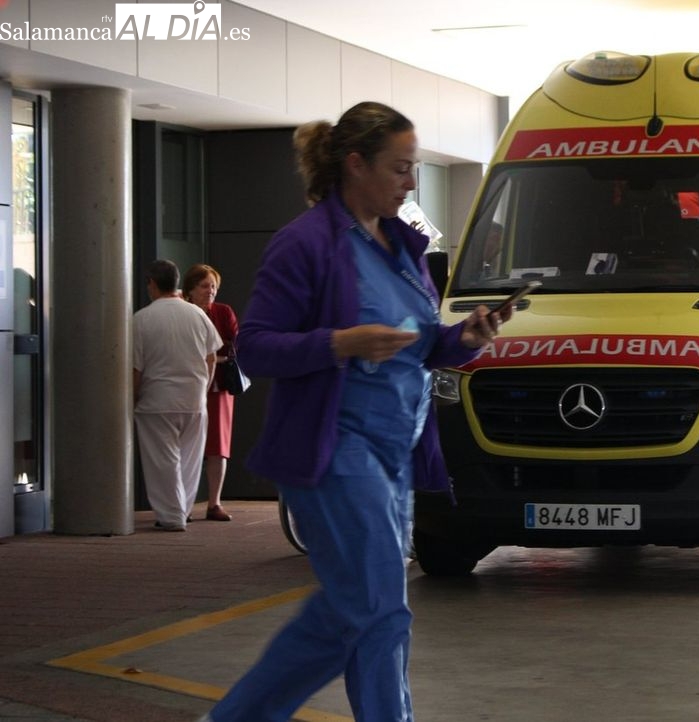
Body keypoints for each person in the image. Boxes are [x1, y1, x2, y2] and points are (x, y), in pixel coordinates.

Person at [199, 101, 510, 722]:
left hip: (395, 452)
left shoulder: (402, 246)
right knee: (378, 606)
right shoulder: (305, 244)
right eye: (400, 168)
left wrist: (462, 338)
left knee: (357, 609)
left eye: (414, 167)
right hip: (335, 448)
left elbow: (416, 342)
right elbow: (257, 344)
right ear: (355, 164)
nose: (412, 181)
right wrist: (339, 342)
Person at [132, 259, 222, 532]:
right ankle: (181, 510)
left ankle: (171, 516)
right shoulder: (197, 315)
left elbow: (136, 368)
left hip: (156, 400)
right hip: (194, 398)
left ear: (151, 283)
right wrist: (203, 387)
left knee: (163, 461)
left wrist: (132, 397)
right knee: (189, 459)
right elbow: (211, 357)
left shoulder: (141, 319)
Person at [182, 263, 238, 522]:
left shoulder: (224, 312)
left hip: (219, 387)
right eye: (205, 285)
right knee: (187, 445)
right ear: (190, 289)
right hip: (189, 384)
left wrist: (216, 356)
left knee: (218, 446)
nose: (211, 290)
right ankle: (183, 504)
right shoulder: (183, 313)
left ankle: (214, 503)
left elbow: (236, 344)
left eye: (213, 285)